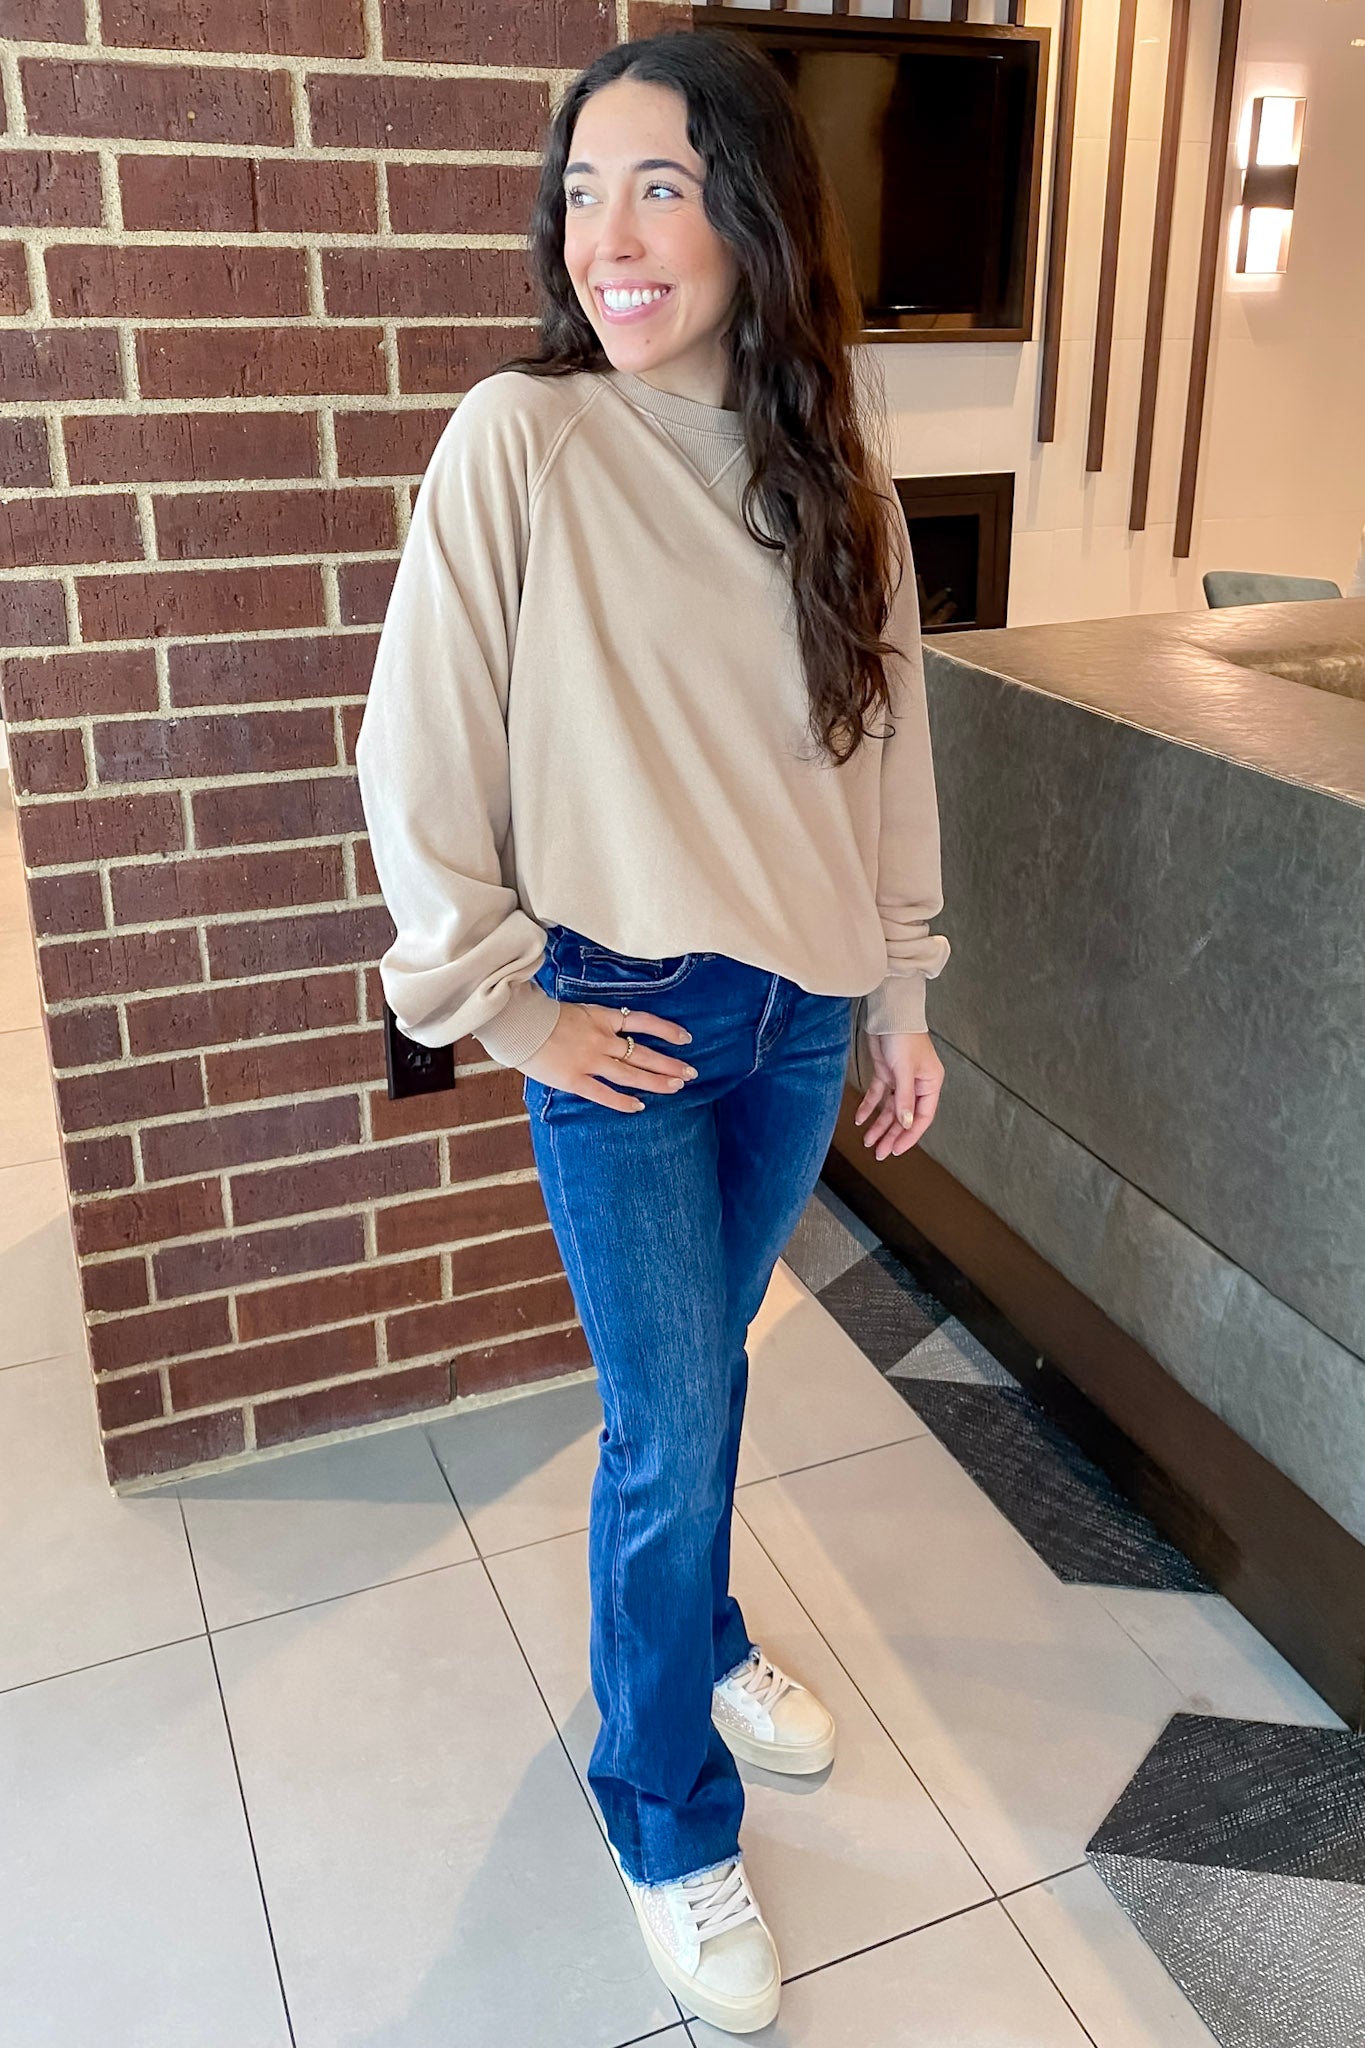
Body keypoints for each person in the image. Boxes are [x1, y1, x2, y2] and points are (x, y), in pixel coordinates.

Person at [354, 28, 950, 2036]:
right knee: (669, 1420)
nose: (606, 236)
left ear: (754, 218)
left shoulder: (833, 473)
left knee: (705, 1383)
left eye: (661, 188)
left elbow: (882, 752)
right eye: (581, 193)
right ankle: (666, 1818)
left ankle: (693, 1638)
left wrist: (899, 984)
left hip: (798, 1017)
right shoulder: (520, 440)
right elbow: (415, 753)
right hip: (622, 1021)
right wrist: (499, 1004)